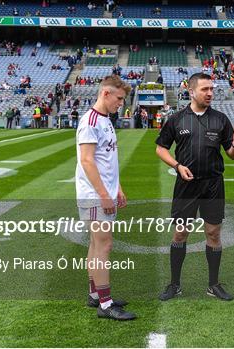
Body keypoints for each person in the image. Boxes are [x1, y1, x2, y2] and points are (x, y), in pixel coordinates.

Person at [155, 73, 234, 302]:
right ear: (192, 91)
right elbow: (161, 148)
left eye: (212, 89)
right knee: (180, 233)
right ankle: (174, 284)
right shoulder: (176, 119)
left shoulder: (220, 119)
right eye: (205, 89)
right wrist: (177, 166)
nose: (210, 93)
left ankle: (213, 285)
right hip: (186, 184)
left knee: (213, 234)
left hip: (213, 185)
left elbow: (232, 155)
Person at [75, 75, 136, 321]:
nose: (121, 103)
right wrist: (103, 194)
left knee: (95, 244)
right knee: (104, 245)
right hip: (94, 196)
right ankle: (106, 304)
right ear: (106, 94)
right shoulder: (90, 121)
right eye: (119, 98)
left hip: (104, 193)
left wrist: (117, 188)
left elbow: (107, 160)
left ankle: (95, 295)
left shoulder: (106, 120)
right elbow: (87, 160)